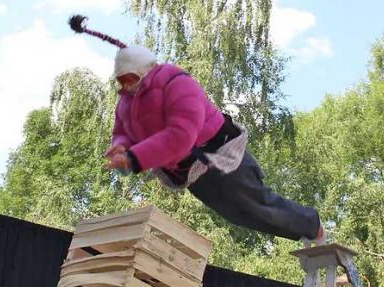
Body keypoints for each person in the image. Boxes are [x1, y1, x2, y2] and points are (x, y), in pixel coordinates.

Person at [69, 15, 324, 244]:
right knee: (240, 216)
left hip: (220, 158)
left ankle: (313, 226)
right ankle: (305, 233)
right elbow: (122, 130)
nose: (125, 86)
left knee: (258, 205)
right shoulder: (126, 102)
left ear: (145, 71)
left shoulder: (177, 82)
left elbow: (180, 136)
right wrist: (120, 146)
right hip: (191, 172)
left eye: (130, 79)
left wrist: (135, 158)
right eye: (120, 80)